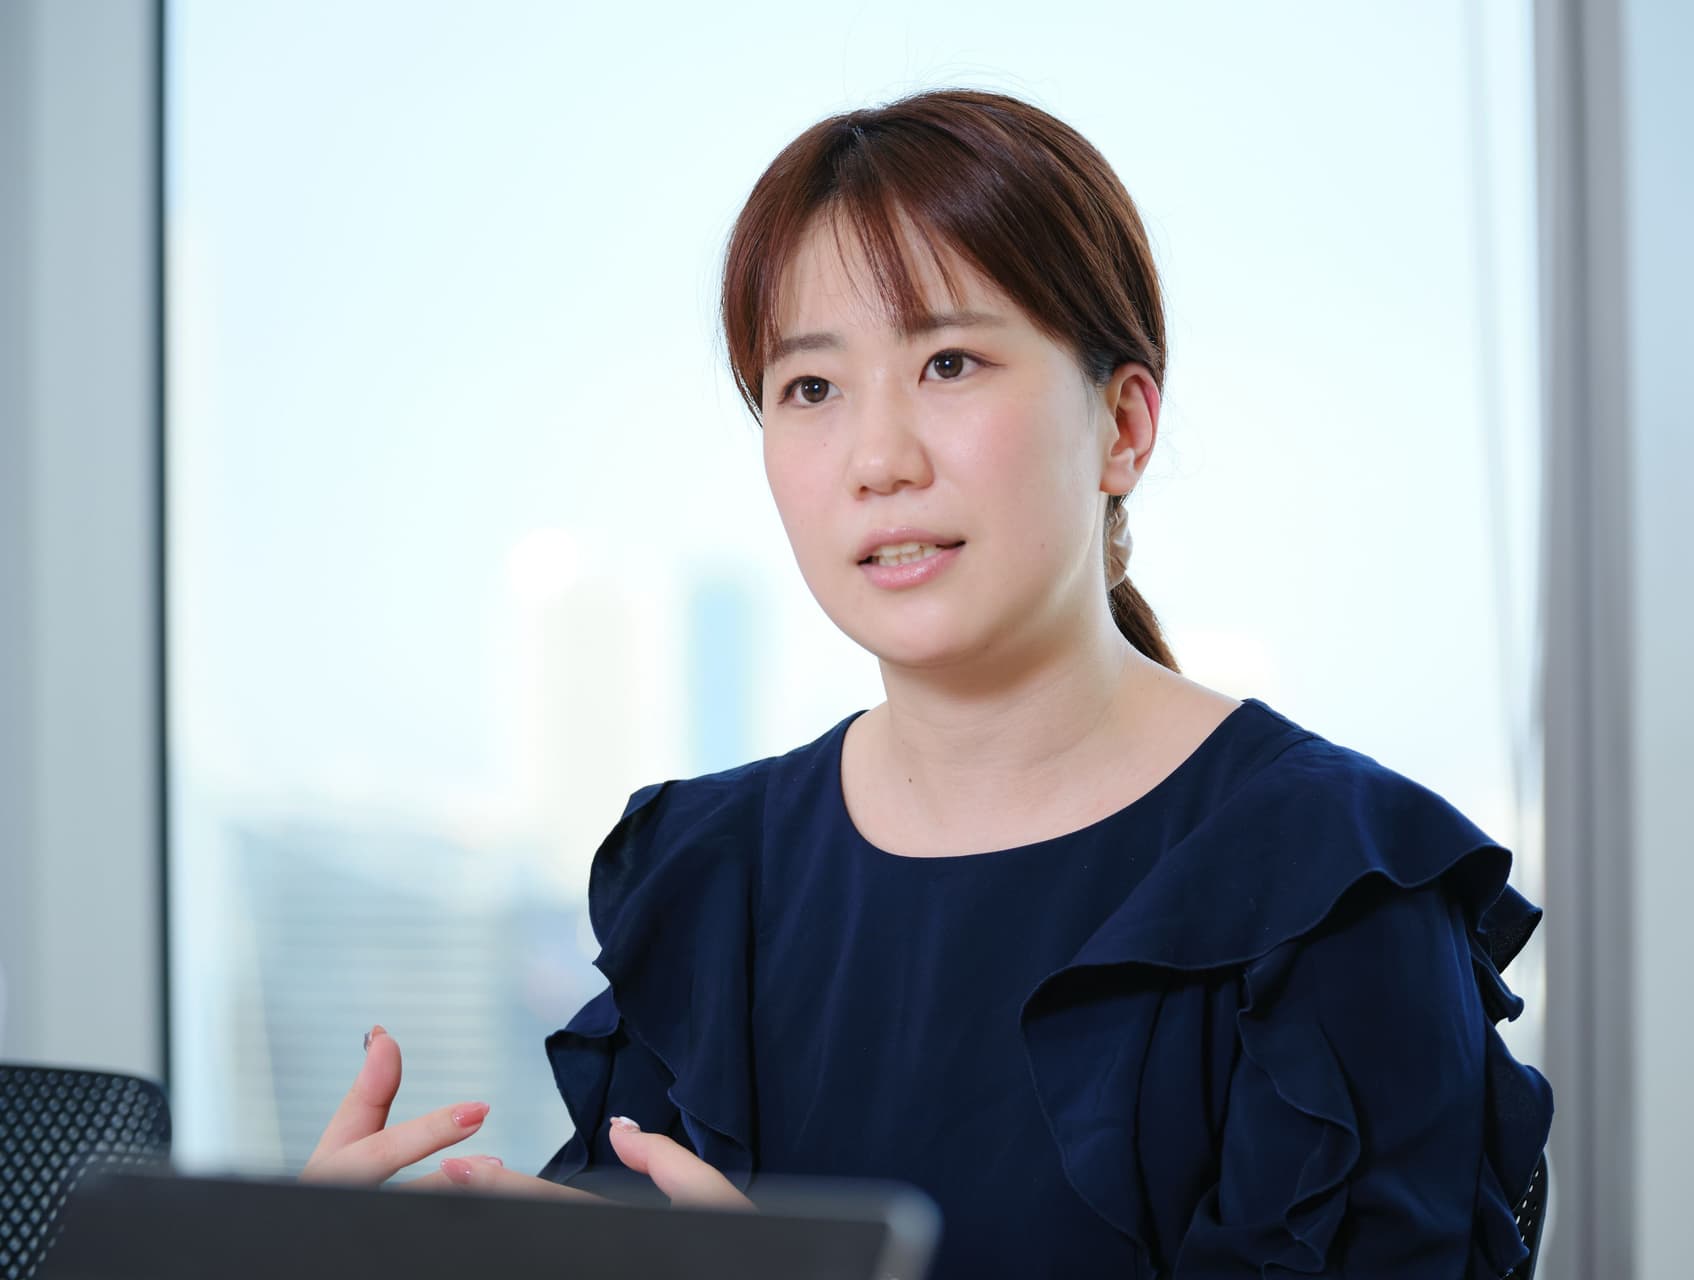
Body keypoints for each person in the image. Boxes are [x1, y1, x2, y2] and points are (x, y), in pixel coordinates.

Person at [299, 88, 1553, 1278]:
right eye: (810, 387)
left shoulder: (1337, 889)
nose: (878, 457)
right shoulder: (708, 874)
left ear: (1122, 427)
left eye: (949, 363)